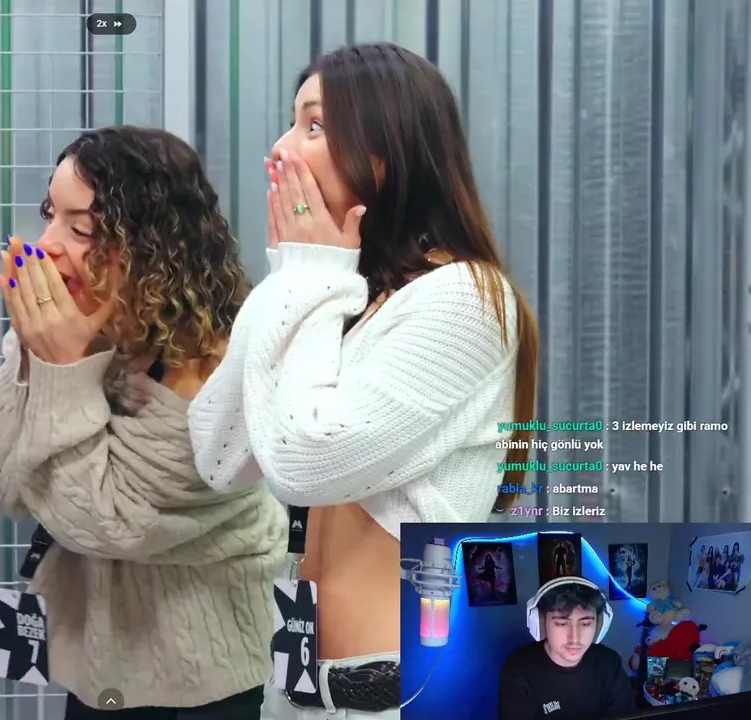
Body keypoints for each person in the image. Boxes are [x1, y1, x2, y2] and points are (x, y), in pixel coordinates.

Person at [187, 42, 540, 719]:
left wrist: (310, 272)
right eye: (292, 121)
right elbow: (219, 451)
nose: (281, 149)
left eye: (314, 125)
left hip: (397, 697)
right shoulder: (343, 291)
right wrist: (295, 274)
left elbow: (302, 463)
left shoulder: (464, 297)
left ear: (387, 153)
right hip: (295, 690)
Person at [0, 126, 286, 719]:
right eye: (50, 216)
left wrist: (62, 367)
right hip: (101, 673)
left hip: (200, 686)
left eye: (81, 229)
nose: (47, 246)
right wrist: (37, 353)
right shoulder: (85, 331)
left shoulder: (210, 370)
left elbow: (104, 523)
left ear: (151, 244)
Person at [497, 577, 635, 719]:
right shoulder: (518, 669)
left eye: (585, 624)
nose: (574, 638)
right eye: (562, 624)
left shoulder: (610, 662)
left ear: (599, 625)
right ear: (541, 623)